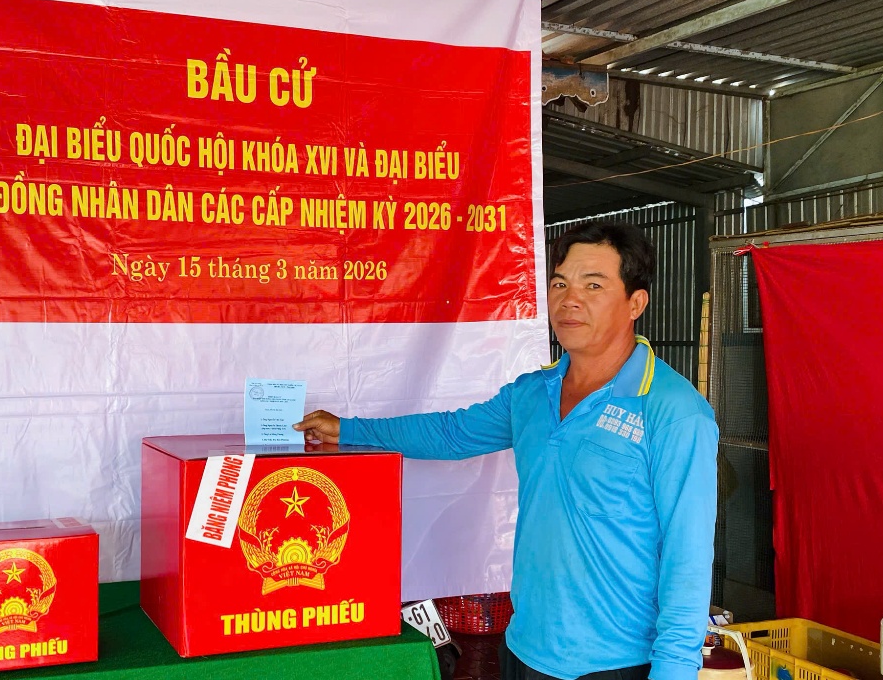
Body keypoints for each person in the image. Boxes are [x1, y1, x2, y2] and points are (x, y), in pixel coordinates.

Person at [295, 222, 718, 680]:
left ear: (636, 303)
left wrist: (674, 671)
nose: (569, 300)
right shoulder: (532, 393)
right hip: (522, 650)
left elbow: (688, 561)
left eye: (593, 285)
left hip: (616, 664)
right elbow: (452, 433)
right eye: (560, 283)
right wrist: (350, 429)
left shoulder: (673, 411)